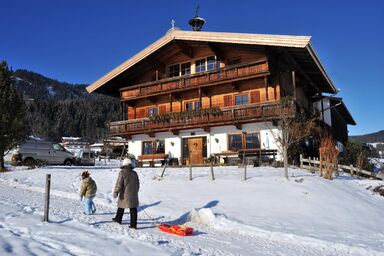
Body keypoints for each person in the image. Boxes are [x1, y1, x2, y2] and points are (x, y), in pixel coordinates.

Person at [112, 158, 140, 229]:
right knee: (133, 209)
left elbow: (119, 184)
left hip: (125, 194)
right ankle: (133, 225)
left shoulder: (122, 172)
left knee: (121, 205)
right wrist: (135, 191)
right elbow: (138, 184)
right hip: (133, 194)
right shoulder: (134, 173)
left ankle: (118, 219)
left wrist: (116, 192)